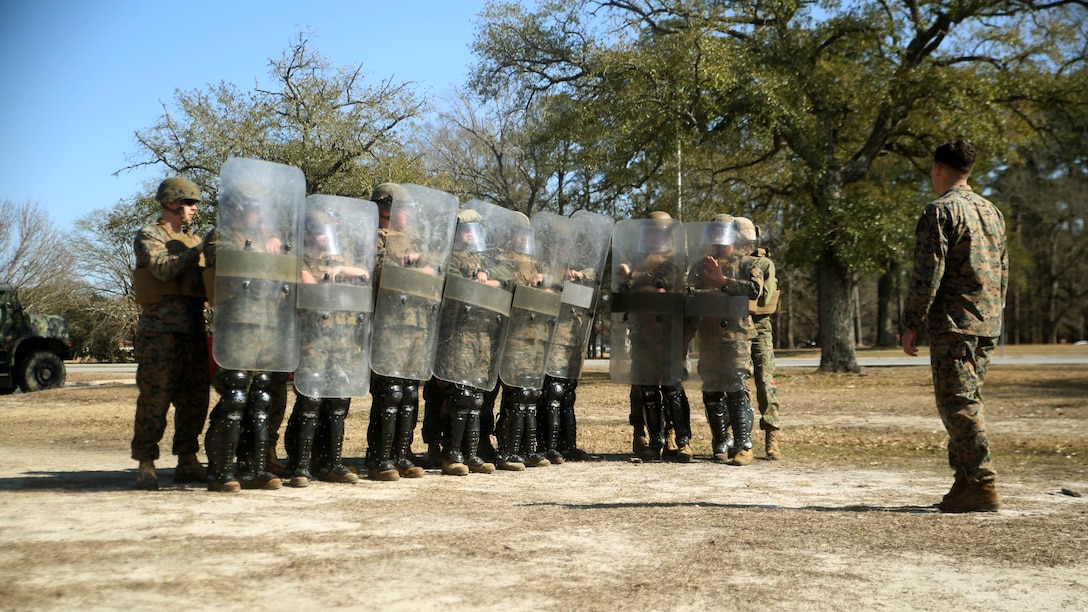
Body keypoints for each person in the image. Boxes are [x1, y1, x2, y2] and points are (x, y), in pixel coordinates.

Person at [902, 139, 1008, 513]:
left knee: (958, 404)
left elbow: (927, 274)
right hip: (986, 323)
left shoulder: (940, 211)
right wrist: (995, 315)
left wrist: (911, 322)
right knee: (968, 400)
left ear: (938, 169)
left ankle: (981, 482)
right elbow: (1002, 270)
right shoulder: (991, 211)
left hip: (954, 323)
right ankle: (964, 482)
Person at [130, 177, 210, 490]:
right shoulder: (150, 234)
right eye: (189, 203)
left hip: (192, 329)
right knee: (155, 398)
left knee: (194, 399)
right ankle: (146, 462)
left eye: (194, 204)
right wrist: (197, 252)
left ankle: (187, 459)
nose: (193, 209)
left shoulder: (195, 239)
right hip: (159, 332)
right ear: (171, 203)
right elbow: (162, 268)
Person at [283, 207, 372, 487]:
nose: (326, 239)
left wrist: (345, 269)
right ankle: (299, 465)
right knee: (311, 398)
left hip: (341, 336)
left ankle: (332, 463)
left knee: (339, 400)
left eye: (329, 233)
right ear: (309, 234)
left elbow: (365, 276)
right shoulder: (299, 260)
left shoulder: (339, 260)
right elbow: (308, 287)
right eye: (322, 233)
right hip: (313, 337)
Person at [612, 211, 691, 462]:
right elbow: (625, 294)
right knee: (647, 389)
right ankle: (654, 441)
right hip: (643, 333)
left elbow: (665, 281)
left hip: (669, 333)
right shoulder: (637, 260)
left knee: (672, 388)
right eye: (649, 232)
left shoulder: (677, 259)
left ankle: (682, 441)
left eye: (657, 232)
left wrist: (635, 278)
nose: (652, 237)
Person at [687, 215, 763, 466]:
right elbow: (688, 293)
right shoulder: (700, 265)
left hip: (736, 335)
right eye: (713, 233)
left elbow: (754, 290)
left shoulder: (748, 262)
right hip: (708, 335)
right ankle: (721, 441)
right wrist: (706, 293)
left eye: (722, 233)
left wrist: (723, 282)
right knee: (711, 389)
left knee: (736, 387)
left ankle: (743, 445)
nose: (717, 239)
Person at [737, 217, 783, 460]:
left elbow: (763, 300)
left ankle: (771, 434)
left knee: (764, 380)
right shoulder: (728, 263)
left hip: (760, 326)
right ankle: (743, 438)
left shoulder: (763, 264)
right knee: (738, 383)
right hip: (735, 326)